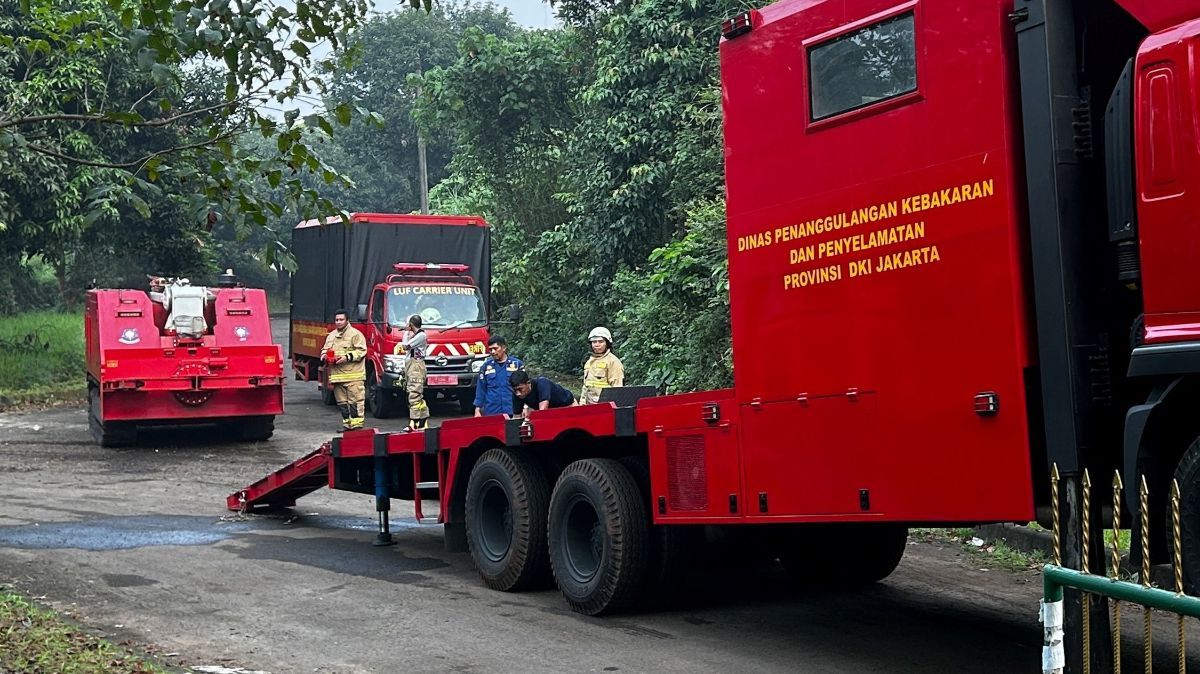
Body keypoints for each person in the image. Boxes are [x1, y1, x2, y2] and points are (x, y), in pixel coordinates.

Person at [322, 309, 367, 431]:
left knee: (355, 402)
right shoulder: (331, 335)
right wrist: (324, 356)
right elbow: (325, 349)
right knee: (342, 403)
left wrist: (346, 357)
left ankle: (357, 427)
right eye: (337, 320)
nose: (338, 322)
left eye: (341, 319)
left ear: (347, 320)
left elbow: (362, 351)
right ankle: (347, 425)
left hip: (354, 376)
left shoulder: (355, 335)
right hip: (337, 377)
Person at [394, 314, 429, 431]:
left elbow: (405, 346)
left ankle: (413, 423)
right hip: (412, 367)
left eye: (407, 324)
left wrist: (405, 332)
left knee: (413, 395)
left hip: (416, 368)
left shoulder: (421, 336)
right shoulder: (416, 336)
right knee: (418, 396)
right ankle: (423, 420)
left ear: (411, 325)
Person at [473, 335, 524, 417]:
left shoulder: (517, 365)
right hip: (492, 412)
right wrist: (477, 409)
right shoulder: (485, 367)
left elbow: (524, 388)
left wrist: (525, 406)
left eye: (495, 348)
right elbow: (481, 389)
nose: (493, 352)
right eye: (490, 349)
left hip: (513, 410)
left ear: (504, 348)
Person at [580, 326, 624, 404]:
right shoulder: (589, 362)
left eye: (600, 341)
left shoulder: (613, 362)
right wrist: (582, 403)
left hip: (604, 407)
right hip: (588, 406)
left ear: (607, 343)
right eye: (594, 342)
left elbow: (617, 389)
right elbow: (585, 386)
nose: (597, 345)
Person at [509, 370, 575, 415]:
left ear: (528, 383)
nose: (518, 393)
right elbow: (516, 418)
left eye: (520, 389)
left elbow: (542, 412)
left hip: (568, 406)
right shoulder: (516, 394)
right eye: (515, 390)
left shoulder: (542, 384)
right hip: (551, 411)